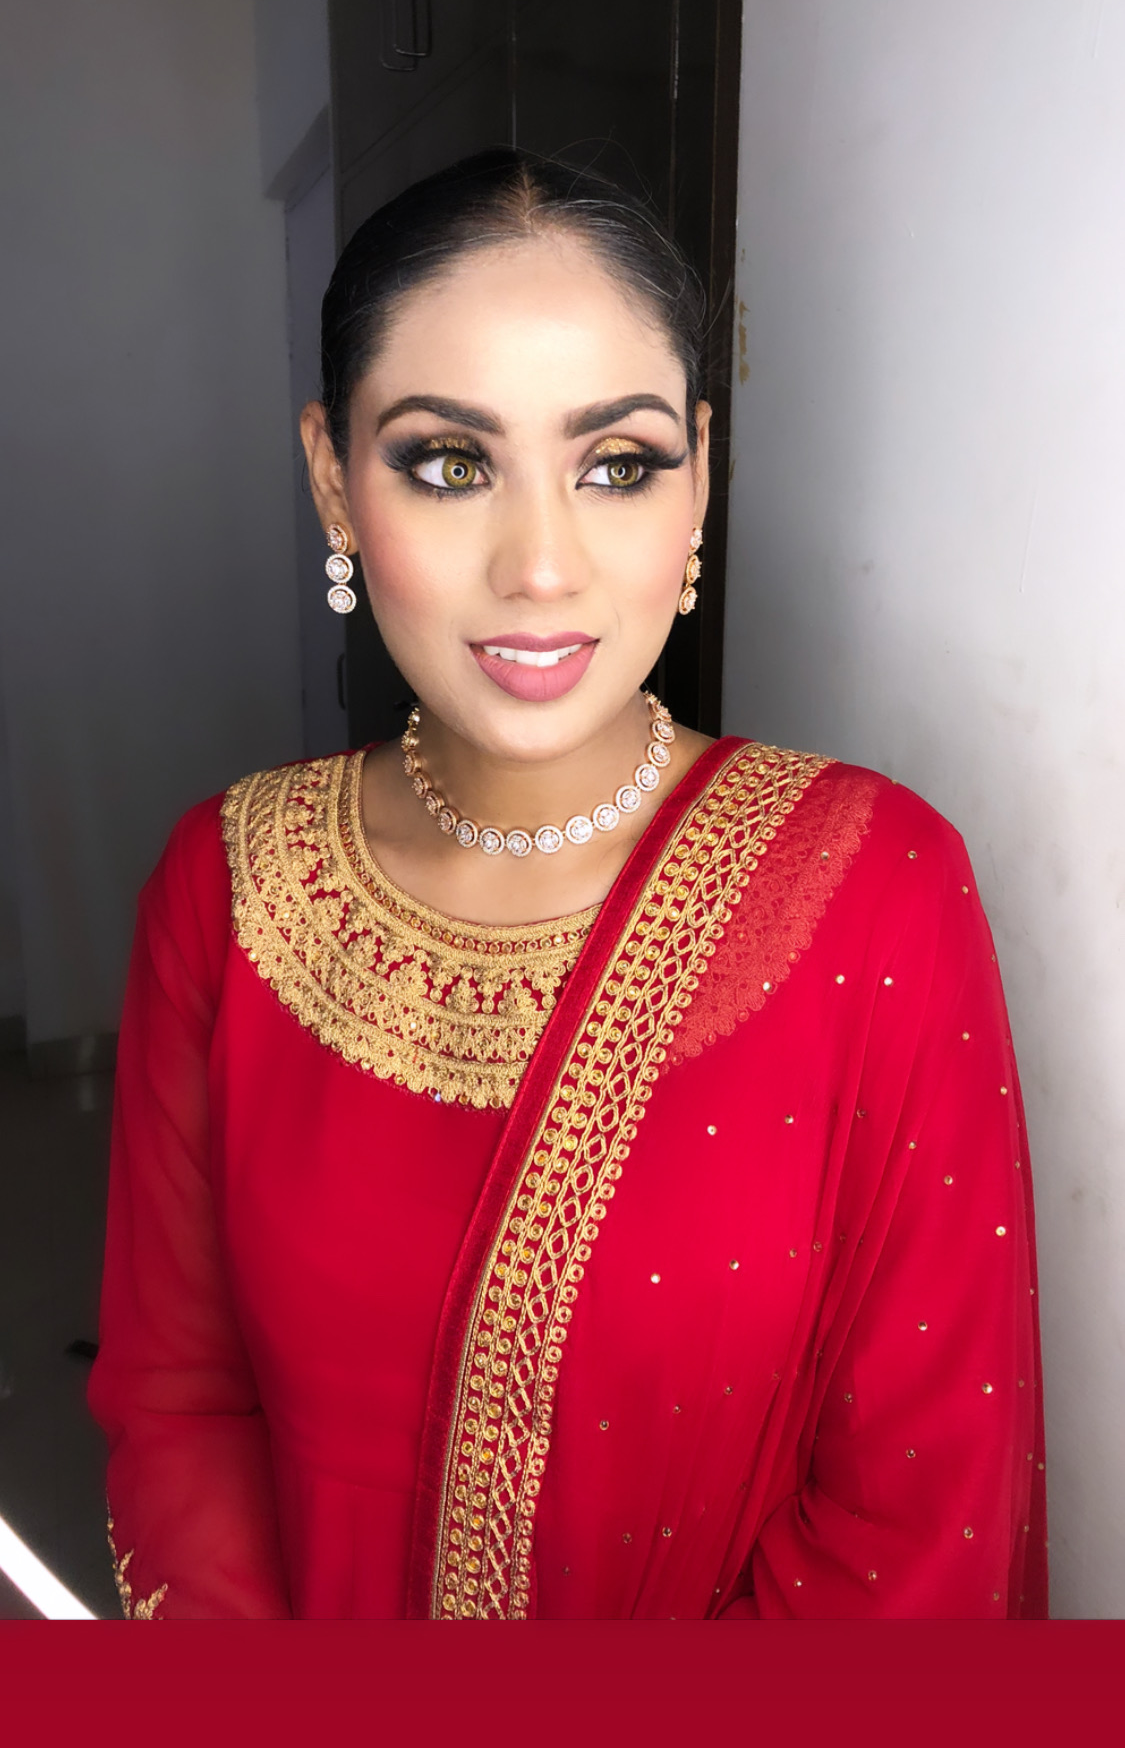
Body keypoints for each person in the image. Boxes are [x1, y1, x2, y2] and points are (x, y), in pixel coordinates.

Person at [88, 149, 1047, 1620]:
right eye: (447, 463)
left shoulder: (875, 888)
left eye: (617, 465)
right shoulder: (225, 887)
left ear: (699, 473)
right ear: (333, 480)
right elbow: (178, 1403)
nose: (541, 567)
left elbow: (917, 1523)